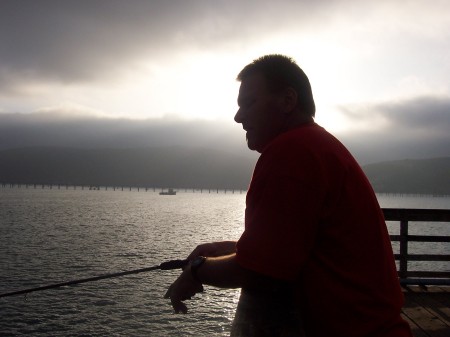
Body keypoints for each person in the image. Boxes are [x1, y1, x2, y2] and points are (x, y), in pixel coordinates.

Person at [164, 54, 412, 337]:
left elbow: (261, 273)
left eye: (248, 103)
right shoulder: (315, 146)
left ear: (288, 100)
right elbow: (297, 250)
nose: (238, 116)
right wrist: (234, 250)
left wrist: (196, 270)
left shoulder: (291, 153)